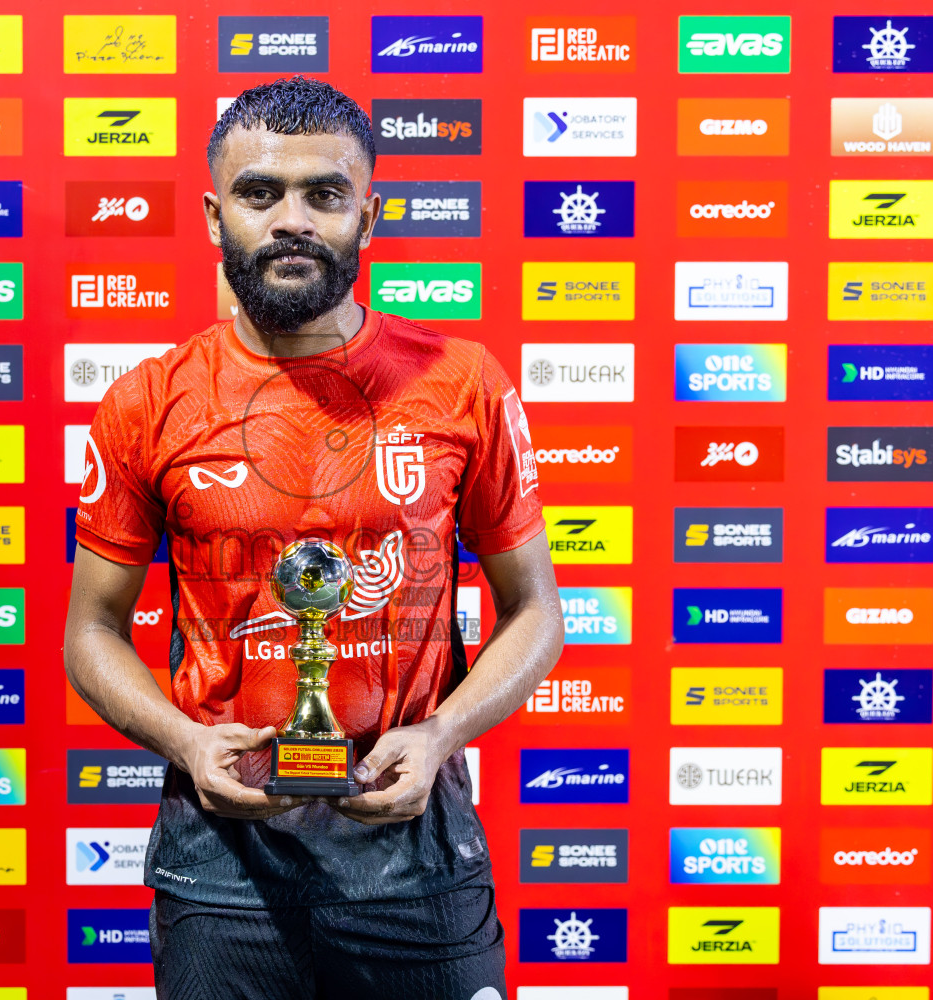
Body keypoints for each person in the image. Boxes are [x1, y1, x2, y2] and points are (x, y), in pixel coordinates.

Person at [63, 76, 563, 1000]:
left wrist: (443, 732)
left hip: (417, 863)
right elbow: (90, 630)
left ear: (368, 216)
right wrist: (185, 742)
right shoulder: (148, 402)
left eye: (324, 194)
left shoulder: (463, 383)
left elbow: (535, 610)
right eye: (260, 193)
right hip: (222, 871)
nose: (291, 220)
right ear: (214, 217)